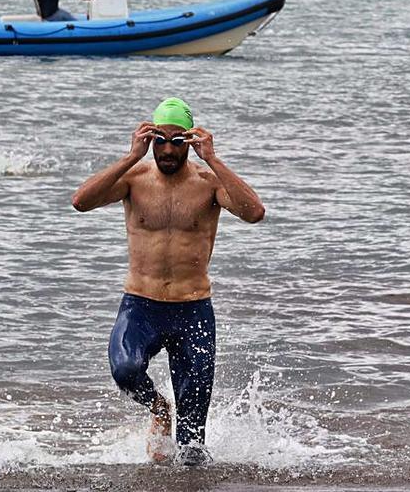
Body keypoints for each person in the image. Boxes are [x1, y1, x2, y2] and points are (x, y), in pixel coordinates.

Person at [71, 98, 265, 466]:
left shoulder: (209, 184)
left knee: (192, 447)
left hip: (193, 311)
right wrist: (130, 156)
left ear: (190, 142)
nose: (169, 149)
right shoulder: (133, 180)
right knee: (125, 369)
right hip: (141, 305)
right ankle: (159, 406)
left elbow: (254, 213)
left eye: (178, 141)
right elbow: (81, 201)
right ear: (151, 140)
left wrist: (213, 158)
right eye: (161, 139)